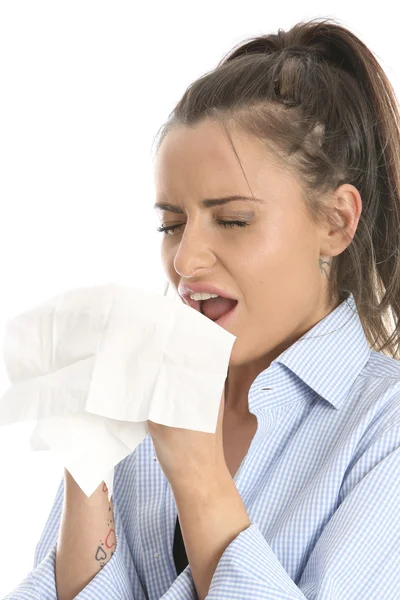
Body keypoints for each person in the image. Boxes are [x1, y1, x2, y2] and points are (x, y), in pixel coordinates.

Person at [6, 16, 400, 600]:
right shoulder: (146, 396)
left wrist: (198, 475)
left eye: (233, 220)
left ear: (337, 221)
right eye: (172, 224)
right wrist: (84, 460)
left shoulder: (383, 427)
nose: (186, 261)